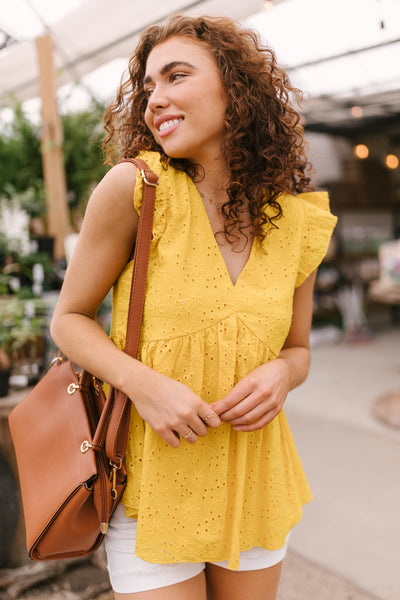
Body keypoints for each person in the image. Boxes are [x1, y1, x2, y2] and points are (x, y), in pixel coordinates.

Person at [51, 14, 337, 600]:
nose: (156, 98)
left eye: (176, 76)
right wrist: (146, 387)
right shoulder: (136, 189)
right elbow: (68, 320)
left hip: (254, 480)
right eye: (149, 86)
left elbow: (299, 349)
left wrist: (283, 373)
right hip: (152, 487)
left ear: (238, 89)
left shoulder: (299, 221)